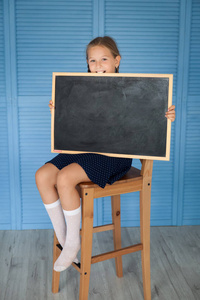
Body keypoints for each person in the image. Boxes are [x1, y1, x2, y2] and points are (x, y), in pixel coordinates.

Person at [35, 36, 176, 273]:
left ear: (116, 60)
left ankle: (71, 244)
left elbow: (147, 122)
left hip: (114, 156)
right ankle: (68, 239)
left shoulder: (134, 89)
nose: (98, 66)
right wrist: (59, 111)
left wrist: (164, 116)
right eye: (92, 61)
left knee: (65, 178)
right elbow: (71, 129)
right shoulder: (77, 88)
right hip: (82, 149)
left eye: (104, 60)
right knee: (42, 175)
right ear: (87, 64)